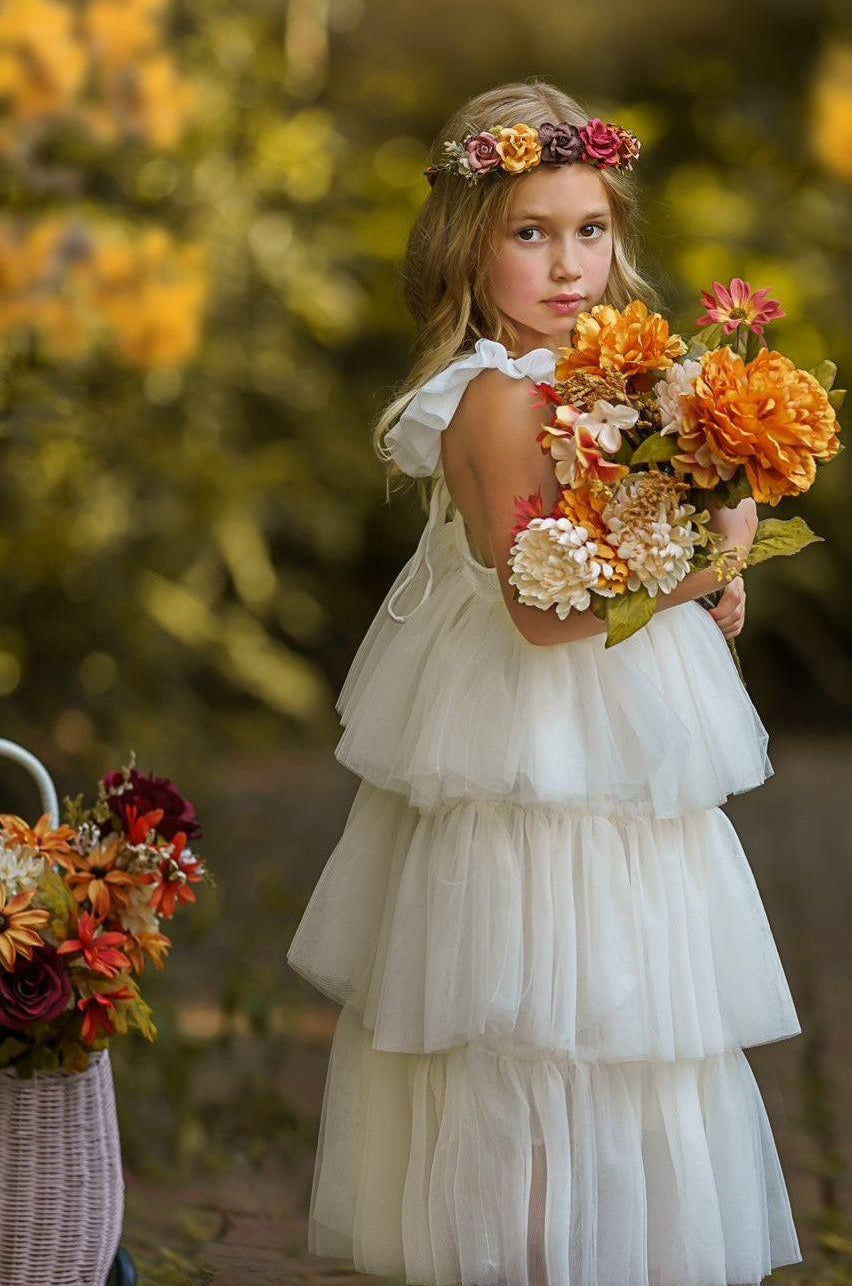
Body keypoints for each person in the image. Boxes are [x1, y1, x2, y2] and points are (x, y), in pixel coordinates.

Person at [286, 78, 803, 1286]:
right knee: (532, 1035)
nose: (568, 265)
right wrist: (716, 552)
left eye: (590, 230)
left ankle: (609, 1251)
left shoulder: (614, 381)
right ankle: (529, 1256)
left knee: (629, 1031)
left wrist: (712, 511)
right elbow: (539, 603)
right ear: (472, 247)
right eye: (530, 234)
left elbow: (629, 538)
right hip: (531, 757)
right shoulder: (503, 399)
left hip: (616, 753)